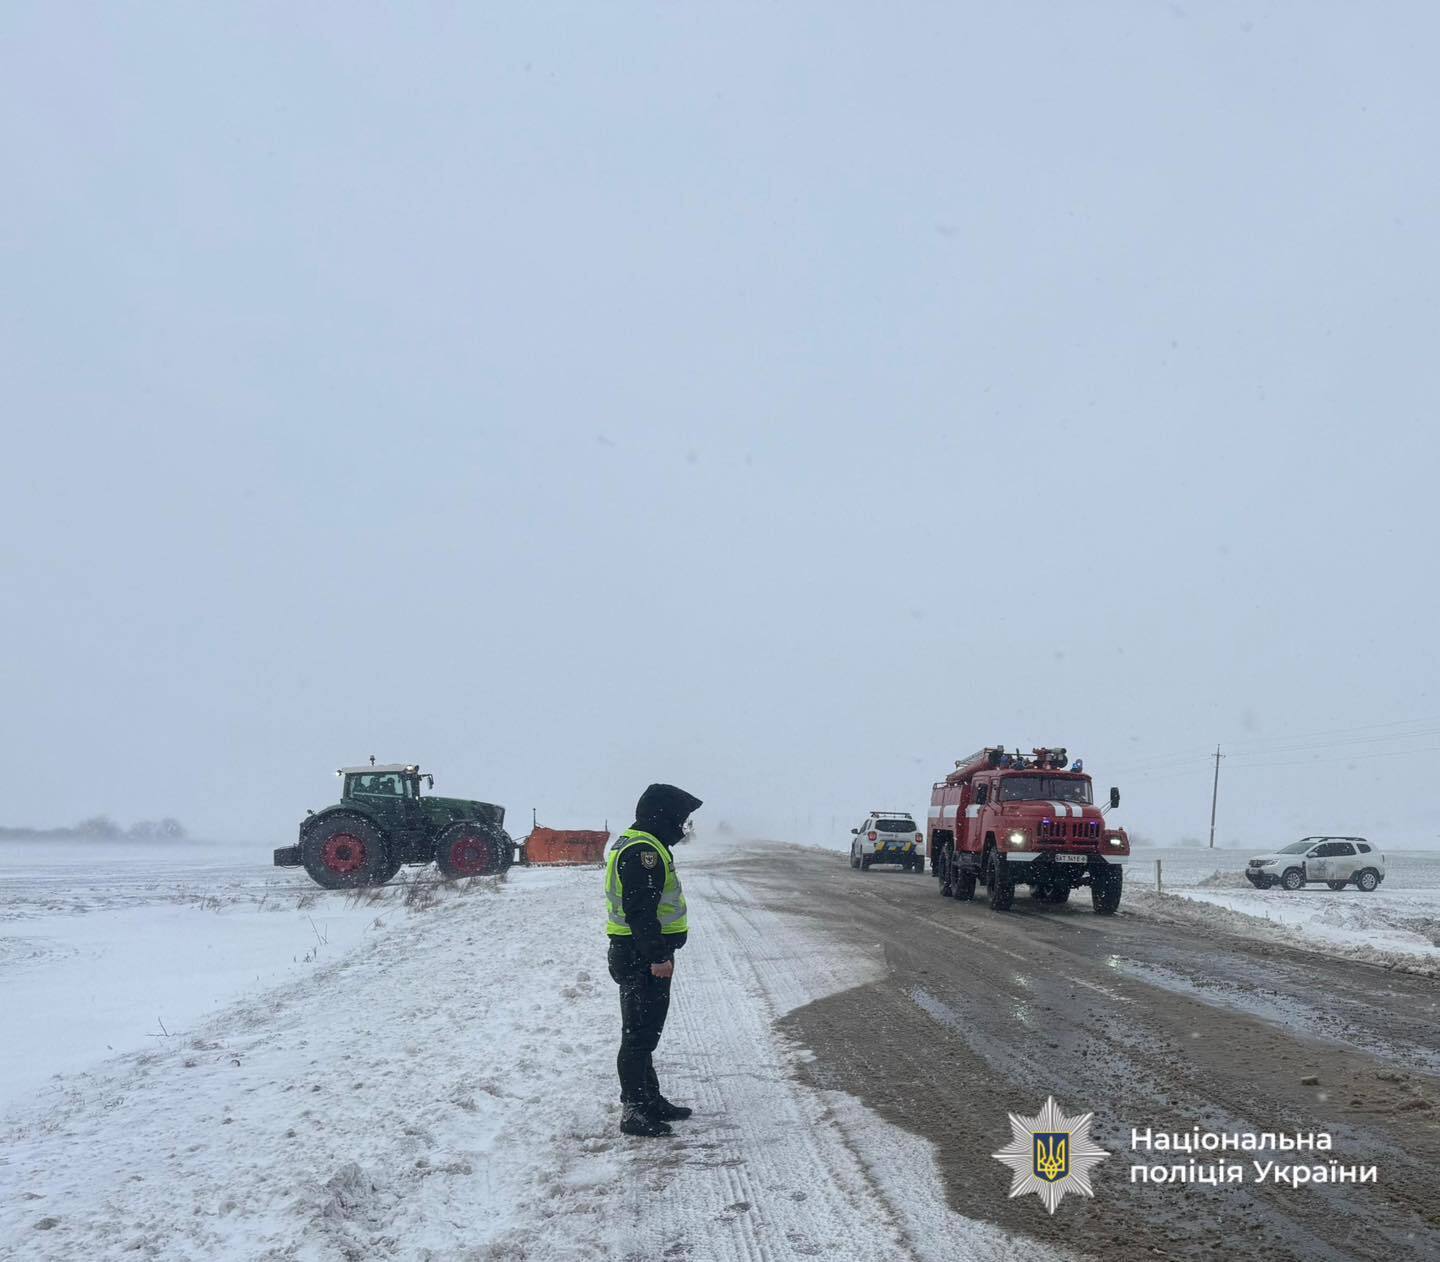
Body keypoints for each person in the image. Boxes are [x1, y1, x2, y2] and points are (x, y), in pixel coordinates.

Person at [604, 782, 702, 1138]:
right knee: (638, 1035)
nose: (682, 827)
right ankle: (634, 1109)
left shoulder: (641, 843)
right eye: (680, 819)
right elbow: (640, 911)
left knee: (645, 1032)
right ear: (663, 817)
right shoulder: (643, 851)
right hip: (641, 954)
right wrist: (658, 956)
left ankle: (649, 1099)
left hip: (638, 952)